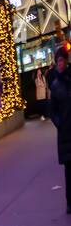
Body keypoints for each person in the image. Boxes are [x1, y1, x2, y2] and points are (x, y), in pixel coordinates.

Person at [48, 49, 71, 213]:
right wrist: (59, 123)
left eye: (62, 61)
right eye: (58, 61)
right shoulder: (55, 86)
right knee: (69, 171)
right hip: (65, 133)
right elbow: (52, 111)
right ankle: (69, 202)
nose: (60, 64)